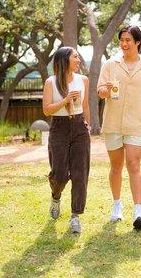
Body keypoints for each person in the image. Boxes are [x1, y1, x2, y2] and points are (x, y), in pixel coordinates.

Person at [98, 26, 141, 230]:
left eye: (128, 40)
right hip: (113, 123)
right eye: (122, 40)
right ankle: (117, 205)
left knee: (133, 164)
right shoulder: (110, 65)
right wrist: (104, 90)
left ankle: (138, 210)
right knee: (116, 166)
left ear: (138, 42)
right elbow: (100, 91)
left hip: (136, 124)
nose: (124, 44)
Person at [43, 47, 91, 233]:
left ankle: (75, 216)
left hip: (79, 127)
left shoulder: (83, 80)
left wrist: (87, 124)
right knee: (60, 173)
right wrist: (66, 100)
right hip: (59, 128)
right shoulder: (51, 82)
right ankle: (56, 196)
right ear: (64, 60)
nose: (79, 60)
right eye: (75, 57)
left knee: (80, 173)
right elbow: (47, 110)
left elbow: (85, 106)